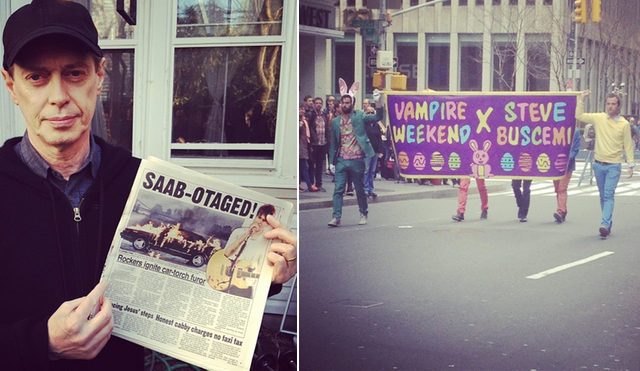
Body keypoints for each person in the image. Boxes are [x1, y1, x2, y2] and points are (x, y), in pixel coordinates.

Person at [0, 1, 297, 369]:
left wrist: (267, 274)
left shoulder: (136, 179)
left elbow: (193, 288)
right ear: (11, 86)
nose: (59, 96)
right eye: (36, 77)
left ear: (99, 76)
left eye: (74, 73)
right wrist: (40, 342)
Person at [576, 90, 634, 237]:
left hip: (614, 164)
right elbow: (580, 116)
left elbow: (628, 145)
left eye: (613, 104)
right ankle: (607, 223)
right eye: (608, 104)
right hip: (598, 163)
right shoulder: (600, 118)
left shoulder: (624, 124)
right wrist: (582, 100)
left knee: (608, 194)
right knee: (603, 195)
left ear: (618, 105)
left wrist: (630, 164)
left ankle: (605, 223)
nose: (610, 107)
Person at [206, 205, 282, 299]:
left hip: (242, 285)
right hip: (224, 279)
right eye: (259, 218)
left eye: (264, 221)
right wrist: (247, 234)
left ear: (268, 224)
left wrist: (275, 281)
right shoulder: (238, 232)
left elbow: (258, 273)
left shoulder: (267, 243)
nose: (260, 222)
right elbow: (227, 253)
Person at [328, 93, 377, 227]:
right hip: (341, 159)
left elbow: (377, 117)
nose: (345, 105)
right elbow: (333, 143)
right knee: (338, 189)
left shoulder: (359, 116)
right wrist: (331, 162)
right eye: (343, 102)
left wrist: (378, 102)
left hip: (357, 159)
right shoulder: (335, 122)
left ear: (352, 104)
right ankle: (336, 217)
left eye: (348, 102)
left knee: (360, 189)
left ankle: (363, 213)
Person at [553, 128, 582, 223]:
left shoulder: (575, 131)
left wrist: (566, 160)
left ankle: (560, 211)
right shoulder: (553, 129)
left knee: (562, 188)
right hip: (555, 164)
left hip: (567, 166)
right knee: (557, 188)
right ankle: (563, 210)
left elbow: (575, 149)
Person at [306, 97, 329, 192]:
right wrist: (310, 141)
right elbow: (308, 128)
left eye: (320, 103)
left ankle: (319, 184)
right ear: (314, 104)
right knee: (311, 165)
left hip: (322, 143)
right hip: (314, 144)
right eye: (317, 103)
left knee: (320, 165)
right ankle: (311, 184)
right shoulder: (311, 114)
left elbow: (327, 127)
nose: (319, 104)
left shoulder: (324, 115)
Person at [364, 106, 383, 198]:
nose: (371, 115)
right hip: (367, 151)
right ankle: (365, 189)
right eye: (368, 113)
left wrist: (380, 150)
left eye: (372, 113)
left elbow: (379, 138)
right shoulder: (364, 124)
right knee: (366, 170)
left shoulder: (376, 125)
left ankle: (371, 189)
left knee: (372, 171)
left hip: (375, 151)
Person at [299, 104, 313, 191]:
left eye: (303, 109)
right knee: (304, 166)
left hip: (304, 144)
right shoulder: (299, 121)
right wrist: (301, 124)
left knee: (301, 165)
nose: (302, 111)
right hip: (299, 145)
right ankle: (309, 184)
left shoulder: (304, 120)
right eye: (300, 109)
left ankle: (299, 183)